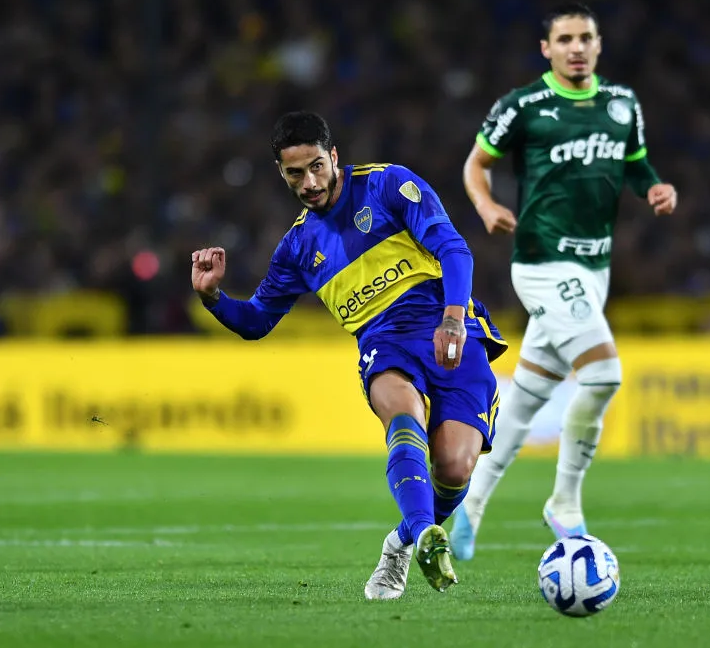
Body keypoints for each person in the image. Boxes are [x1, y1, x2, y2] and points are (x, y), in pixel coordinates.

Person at [191, 111, 507, 598]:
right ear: (281, 173)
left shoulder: (387, 186)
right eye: (294, 173)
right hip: (384, 341)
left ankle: (400, 543)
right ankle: (426, 534)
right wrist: (214, 297)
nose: (309, 182)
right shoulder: (297, 248)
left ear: (333, 156)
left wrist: (450, 318)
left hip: (450, 325)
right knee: (401, 413)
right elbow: (256, 321)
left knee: (454, 468)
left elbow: (454, 249)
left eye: (316, 166)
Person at [450, 2, 676, 560]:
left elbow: (635, 163)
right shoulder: (525, 106)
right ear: (546, 49)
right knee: (602, 376)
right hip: (541, 264)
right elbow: (475, 163)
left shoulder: (623, 105)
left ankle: (470, 505)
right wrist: (484, 204)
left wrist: (654, 187)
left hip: (594, 269)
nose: (577, 47)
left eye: (586, 38)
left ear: (599, 45)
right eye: (566, 39)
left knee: (525, 401)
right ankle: (565, 503)